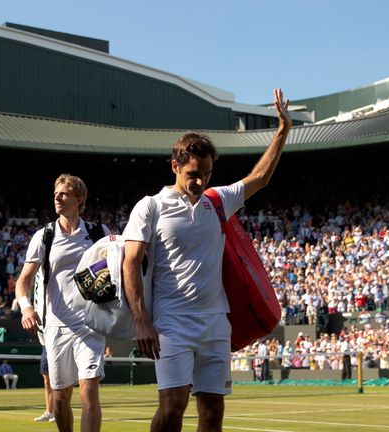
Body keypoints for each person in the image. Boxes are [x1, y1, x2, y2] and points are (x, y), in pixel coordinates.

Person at [122, 88, 291, 432]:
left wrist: (283, 131)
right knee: (172, 408)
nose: (200, 181)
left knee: (212, 411)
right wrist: (142, 320)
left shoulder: (216, 201)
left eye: (207, 174)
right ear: (175, 166)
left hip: (215, 322)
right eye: (193, 173)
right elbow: (130, 263)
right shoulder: (150, 206)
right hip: (171, 323)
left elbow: (259, 179)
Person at [16, 174, 111, 432]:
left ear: (79, 199)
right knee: (59, 399)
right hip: (56, 328)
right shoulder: (44, 236)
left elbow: (117, 269)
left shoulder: (98, 232)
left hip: (90, 326)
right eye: (56, 193)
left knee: (89, 389)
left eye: (64, 193)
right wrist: (26, 307)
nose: (57, 197)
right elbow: (23, 281)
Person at [34, 347, 56, 422]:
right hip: (45, 348)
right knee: (47, 382)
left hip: (57, 346)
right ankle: (49, 412)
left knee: (58, 381)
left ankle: (60, 412)